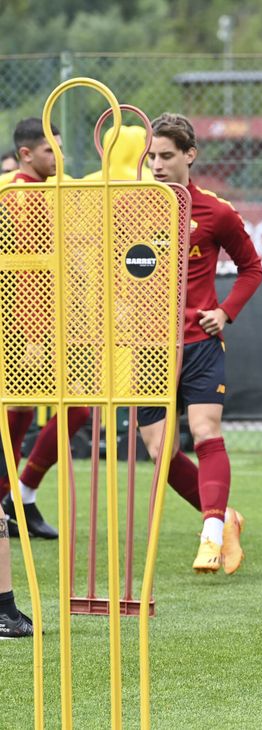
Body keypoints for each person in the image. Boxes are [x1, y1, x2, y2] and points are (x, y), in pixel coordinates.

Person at [138, 113, 262, 574]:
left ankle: (210, 533)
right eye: (151, 156)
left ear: (189, 156)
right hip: (147, 348)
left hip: (199, 342)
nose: (157, 165)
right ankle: (225, 517)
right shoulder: (131, 207)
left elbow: (252, 268)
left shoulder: (215, 211)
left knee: (206, 433)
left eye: (166, 156)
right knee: (160, 454)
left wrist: (225, 311)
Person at [0, 118, 73, 541]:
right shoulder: (13, 195)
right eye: (51, 150)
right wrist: (28, 335)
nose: (58, 157)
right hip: (23, 329)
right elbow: (22, 275)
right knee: (18, 413)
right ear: (27, 153)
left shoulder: (56, 192)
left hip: (56, 323)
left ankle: (20, 494)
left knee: (75, 408)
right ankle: (14, 498)